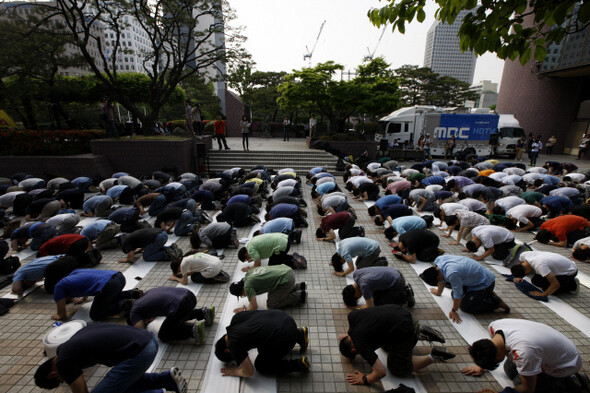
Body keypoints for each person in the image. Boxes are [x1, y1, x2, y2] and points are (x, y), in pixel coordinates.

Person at [34, 323, 187, 392]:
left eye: (61, 380)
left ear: (53, 374)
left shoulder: (63, 363)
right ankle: (166, 379)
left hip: (141, 350)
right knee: (118, 383)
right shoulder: (64, 349)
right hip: (145, 339)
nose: (66, 381)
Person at [338, 304, 454, 385]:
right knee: (384, 344)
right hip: (403, 312)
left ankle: (434, 356)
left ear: (354, 350)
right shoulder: (352, 316)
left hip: (408, 328)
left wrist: (364, 379)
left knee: (396, 368)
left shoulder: (360, 345)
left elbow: (381, 372)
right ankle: (422, 332)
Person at [463, 319, 588, 393]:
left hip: (564, 364)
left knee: (519, 382)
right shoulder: (494, 327)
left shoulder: (524, 352)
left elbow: (528, 389)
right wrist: (481, 364)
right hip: (551, 348)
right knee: (510, 369)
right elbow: (489, 350)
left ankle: (572, 381)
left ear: (497, 357)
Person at [214, 310, 310, 377]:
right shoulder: (236, 318)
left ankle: (298, 364)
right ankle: (300, 334)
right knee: (264, 340)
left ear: (227, 350)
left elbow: (249, 372)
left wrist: (236, 371)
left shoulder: (233, 344)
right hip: (286, 318)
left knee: (261, 365)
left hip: (287, 337)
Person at [420, 255, 510, 323]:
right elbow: (443, 281)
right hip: (476, 278)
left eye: (439, 280)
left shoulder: (452, 274)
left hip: (485, 282)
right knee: (453, 295)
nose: (440, 282)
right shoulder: (439, 261)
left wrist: (454, 311)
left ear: (438, 276)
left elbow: (458, 295)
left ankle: (495, 302)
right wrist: (439, 292)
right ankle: (485, 293)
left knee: (465, 307)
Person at [128, 286, 214, 345]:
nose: (149, 322)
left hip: (182, 304)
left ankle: (192, 331)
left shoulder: (134, 313)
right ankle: (203, 313)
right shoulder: (145, 297)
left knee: (163, 334)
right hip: (190, 296)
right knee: (175, 316)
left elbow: (142, 333)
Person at [52, 269, 142, 321]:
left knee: (95, 315)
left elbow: (62, 314)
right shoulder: (74, 273)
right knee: (109, 297)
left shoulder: (59, 288)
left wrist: (58, 315)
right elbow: (86, 282)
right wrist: (83, 300)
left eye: (68, 301)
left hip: (109, 285)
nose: (71, 300)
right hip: (119, 277)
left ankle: (125, 304)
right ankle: (131, 293)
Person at [229, 265, 306, 311]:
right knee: (274, 293)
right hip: (286, 270)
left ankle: (300, 296)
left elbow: (254, 307)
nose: (245, 296)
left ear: (242, 292)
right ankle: (300, 286)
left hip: (286, 280)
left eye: (242, 295)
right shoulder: (248, 274)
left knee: (271, 304)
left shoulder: (247, 287)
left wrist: (244, 310)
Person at [511, 251, 579, 296]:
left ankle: (572, 284)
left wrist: (543, 294)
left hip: (570, 271)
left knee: (551, 290)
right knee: (536, 281)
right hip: (560, 266)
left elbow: (555, 284)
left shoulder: (540, 266)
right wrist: (519, 277)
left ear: (527, 272)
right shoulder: (524, 255)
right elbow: (519, 263)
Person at [341, 266, 414, 308]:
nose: (360, 297)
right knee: (374, 297)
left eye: (357, 298)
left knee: (378, 305)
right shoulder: (356, 274)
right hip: (394, 272)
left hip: (397, 282)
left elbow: (370, 307)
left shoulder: (364, 286)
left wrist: (354, 307)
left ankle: (405, 295)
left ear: (355, 295)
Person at [237, 233, 307, 271]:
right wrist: (253, 259)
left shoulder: (250, 250)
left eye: (247, 259)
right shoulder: (251, 243)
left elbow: (258, 265)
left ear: (245, 254)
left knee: (272, 266)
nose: (249, 260)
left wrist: (249, 268)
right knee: (277, 257)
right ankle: (293, 257)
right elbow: (260, 253)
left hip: (282, 246)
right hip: (285, 238)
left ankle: (294, 263)